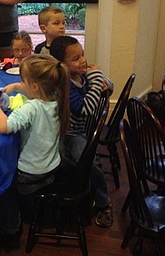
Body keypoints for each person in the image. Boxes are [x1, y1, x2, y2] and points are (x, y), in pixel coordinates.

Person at [0, 54, 69, 250]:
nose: (20, 83)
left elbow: (4, 126)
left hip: (31, 174)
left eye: (23, 81)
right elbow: (32, 89)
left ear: (35, 87)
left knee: (1, 186)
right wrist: (15, 87)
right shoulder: (57, 97)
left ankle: (11, 231)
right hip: (51, 165)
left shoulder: (32, 108)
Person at [50, 35, 114, 228]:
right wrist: (97, 80)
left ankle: (103, 202)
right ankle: (78, 188)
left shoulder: (82, 76)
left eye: (83, 55)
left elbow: (104, 90)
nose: (83, 61)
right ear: (61, 64)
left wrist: (105, 83)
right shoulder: (65, 84)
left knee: (88, 163)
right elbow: (86, 108)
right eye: (76, 58)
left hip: (78, 133)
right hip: (63, 133)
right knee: (59, 158)